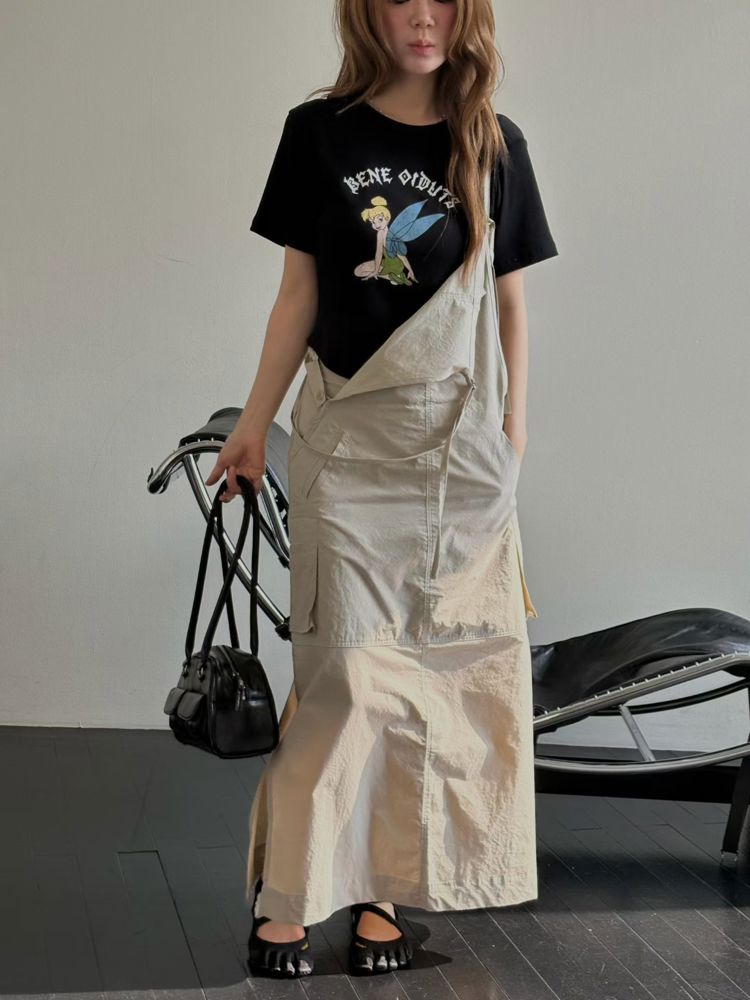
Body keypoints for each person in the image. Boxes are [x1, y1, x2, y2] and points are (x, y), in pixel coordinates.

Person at [205, 0, 558, 981]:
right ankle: (287, 896)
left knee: (428, 683)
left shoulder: (494, 143)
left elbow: (511, 306)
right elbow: (299, 294)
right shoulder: (317, 132)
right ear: (368, 10)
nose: (422, 14)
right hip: (347, 447)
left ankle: (382, 896)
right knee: (346, 674)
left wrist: (514, 433)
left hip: (455, 457)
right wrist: (251, 423)